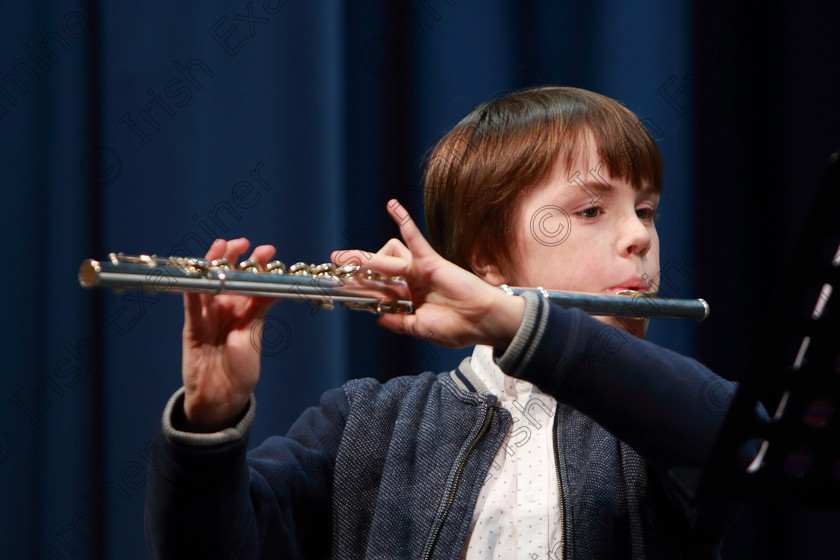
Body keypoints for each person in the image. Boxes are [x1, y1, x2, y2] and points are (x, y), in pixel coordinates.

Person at [146, 86, 737, 559]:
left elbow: (739, 443)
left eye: (646, 211)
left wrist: (515, 320)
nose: (639, 236)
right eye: (590, 210)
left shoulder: (660, 414)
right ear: (487, 258)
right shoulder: (367, 424)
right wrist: (210, 421)